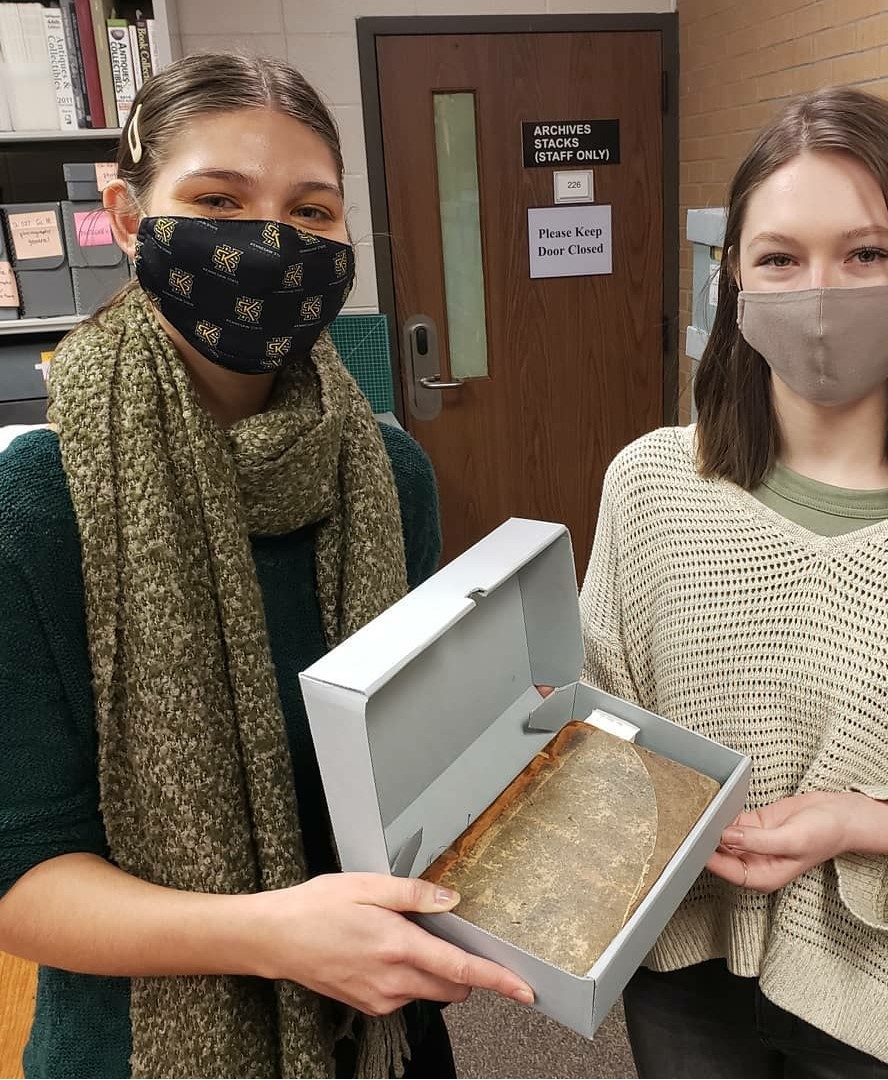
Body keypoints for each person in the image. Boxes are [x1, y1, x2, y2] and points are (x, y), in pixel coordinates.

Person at [0, 54, 533, 1080]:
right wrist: (269, 936)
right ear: (125, 213)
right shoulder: (35, 511)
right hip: (145, 1043)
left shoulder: (388, 474)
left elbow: (405, 751)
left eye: (311, 210)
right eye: (217, 199)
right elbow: (21, 878)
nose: (270, 243)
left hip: (380, 1020)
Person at [580, 86, 888, 1079]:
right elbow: (598, 731)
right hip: (680, 970)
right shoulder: (646, 488)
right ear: (731, 280)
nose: (819, 293)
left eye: (864, 254)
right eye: (778, 258)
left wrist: (866, 820)